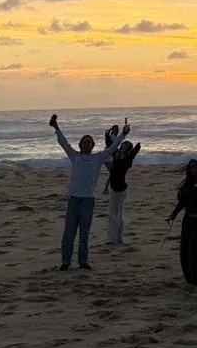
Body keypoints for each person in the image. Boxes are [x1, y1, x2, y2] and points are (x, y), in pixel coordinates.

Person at [50, 112, 131, 270]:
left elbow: (112, 148)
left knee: (84, 232)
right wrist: (56, 127)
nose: (86, 144)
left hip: (88, 200)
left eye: (89, 142)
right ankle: (66, 261)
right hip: (74, 199)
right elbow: (63, 143)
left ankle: (83, 261)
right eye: (84, 142)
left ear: (93, 146)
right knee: (69, 232)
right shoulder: (75, 156)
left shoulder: (98, 158)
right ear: (80, 145)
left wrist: (123, 134)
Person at [169, 158, 197, 287]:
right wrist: (174, 214)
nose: (194, 168)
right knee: (184, 250)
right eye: (191, 167)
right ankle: (190, 278)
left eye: (196, 166)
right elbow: (182, 202)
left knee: (194, 251)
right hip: (187, 219)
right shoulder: (188, 184)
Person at [103, 134, 141, 246]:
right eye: (123, 145)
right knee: (118, 213)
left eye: (124, 146)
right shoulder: (117, 155)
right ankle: (118, 237)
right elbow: (111, 146)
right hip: (118, 187)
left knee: (114, 214)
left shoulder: (126, 159)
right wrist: (106, 135)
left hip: (118, 188)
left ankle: (114, 238)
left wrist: (137, 147)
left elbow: (133, 153)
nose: (122, 147)